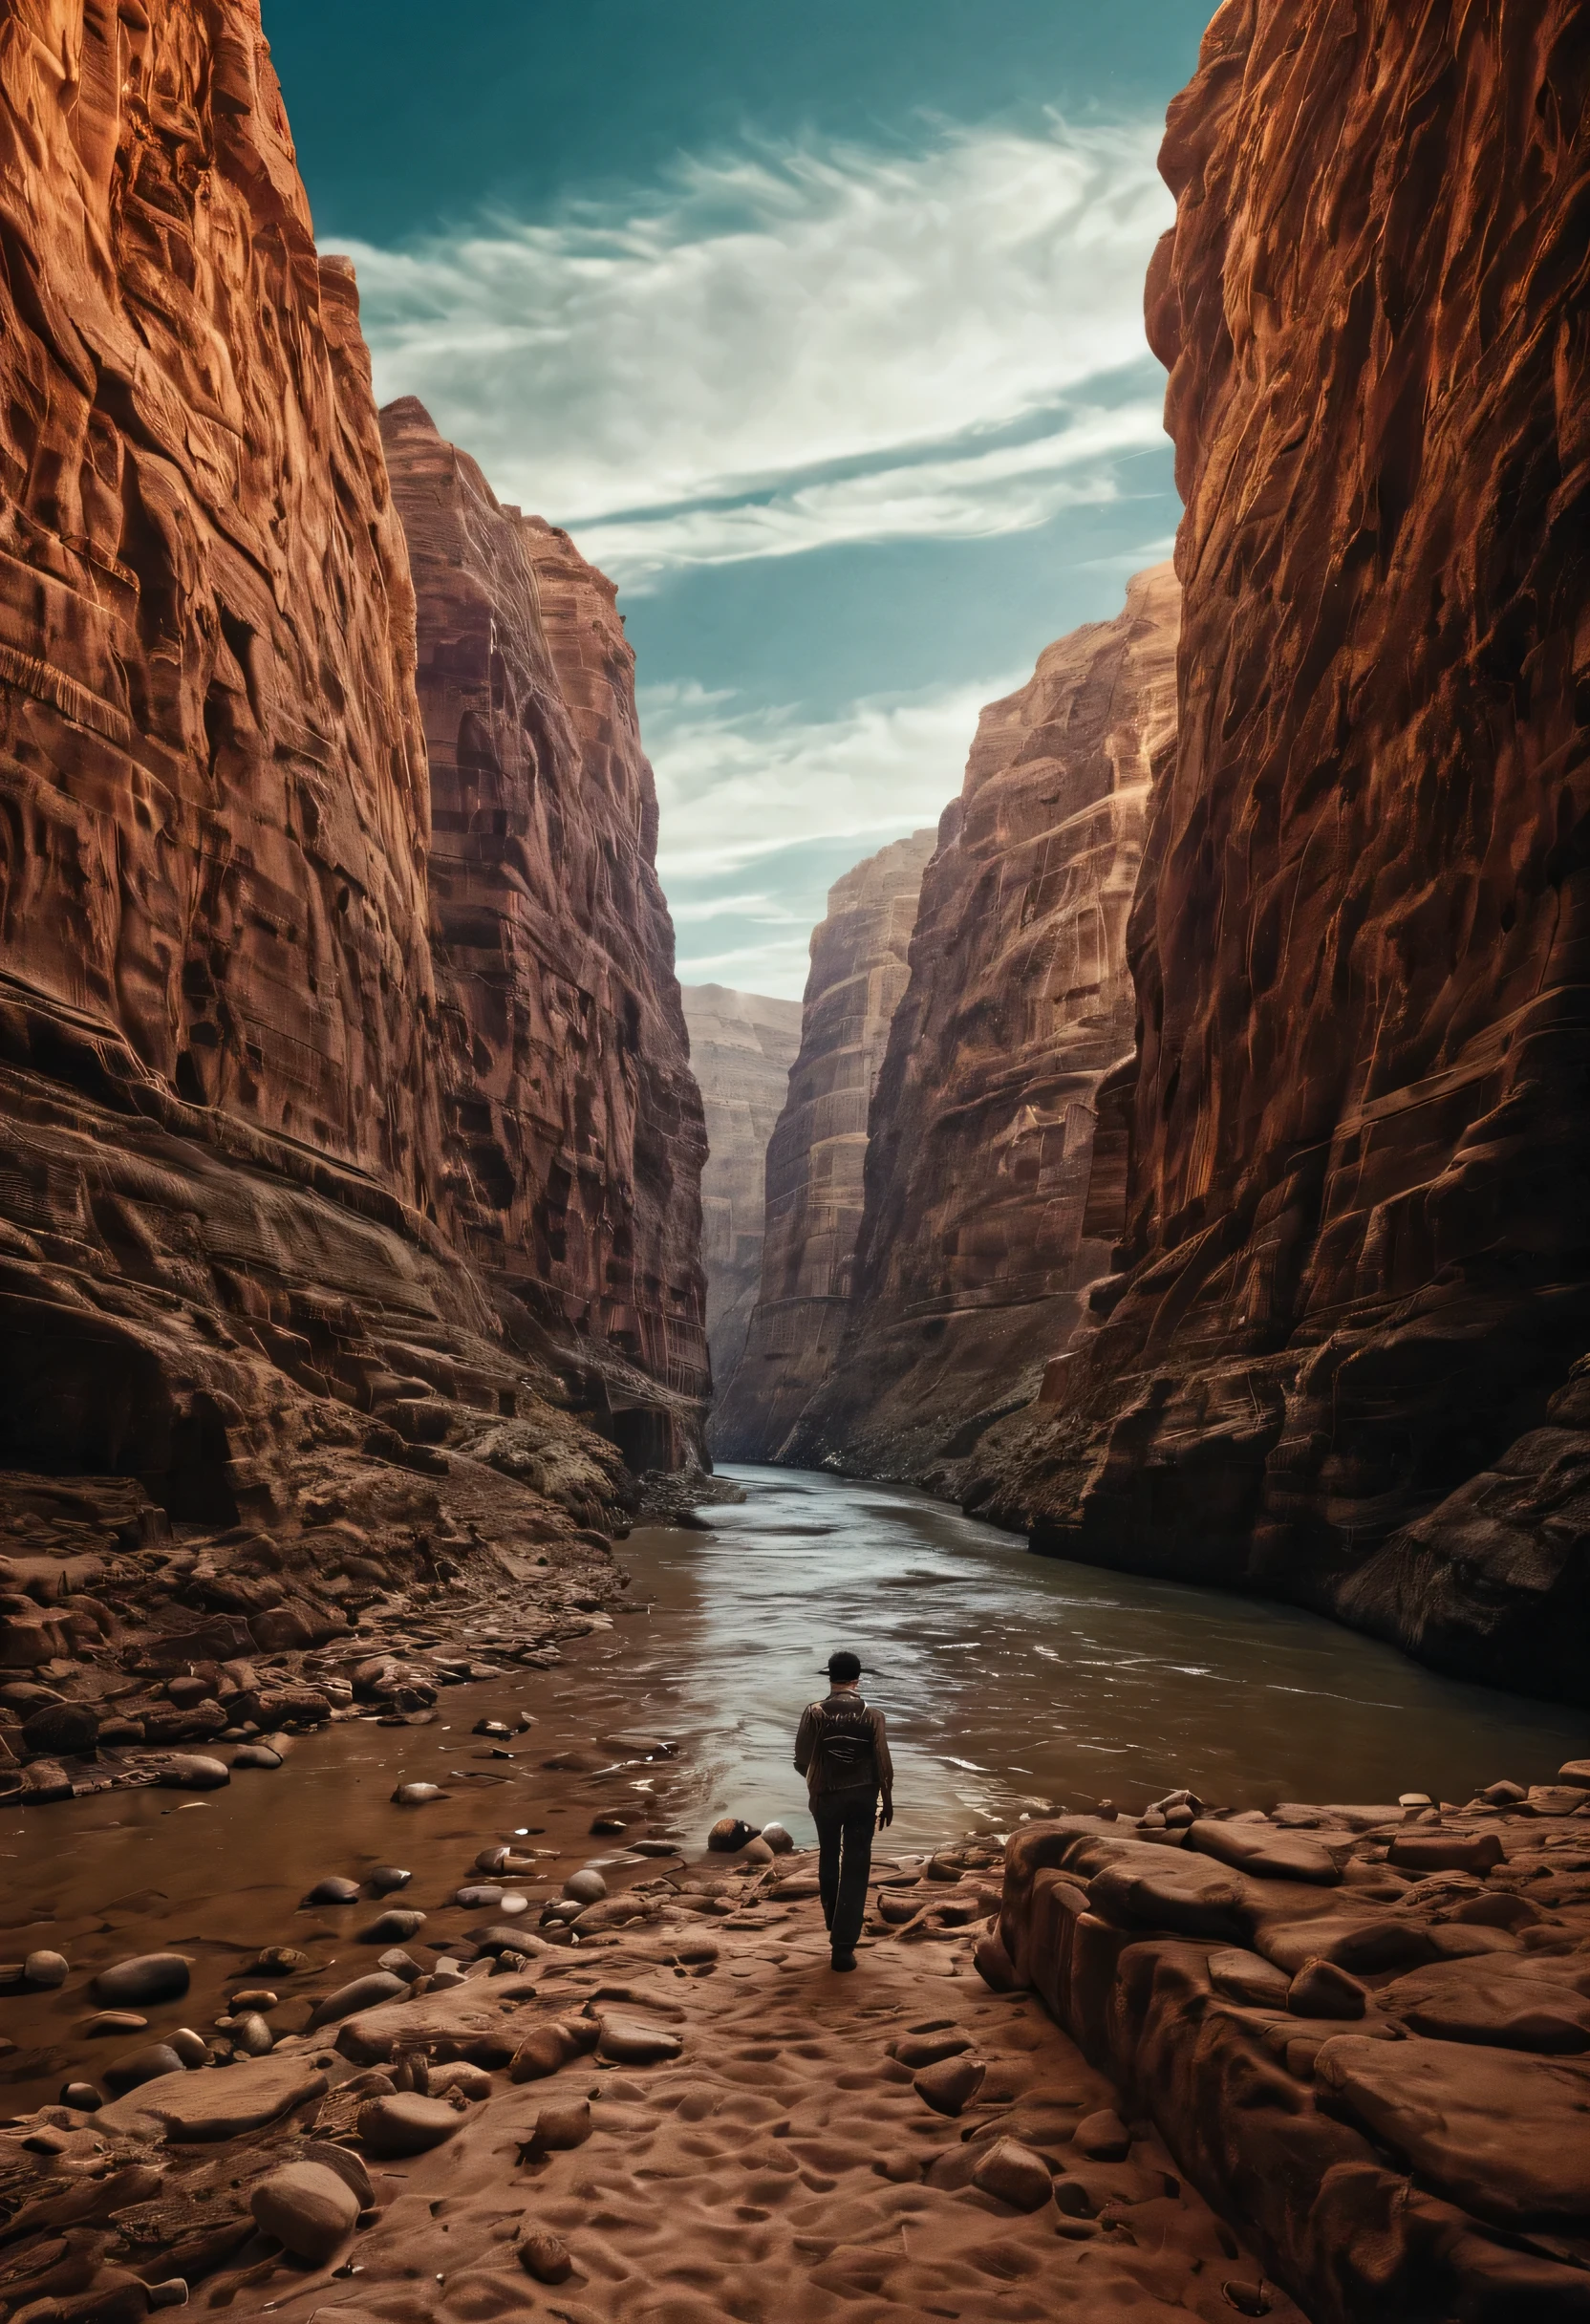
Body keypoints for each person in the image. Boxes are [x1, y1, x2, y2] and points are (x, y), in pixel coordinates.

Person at [794, 1649, 894, 1971]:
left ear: (830, 1678)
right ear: (857, 1679)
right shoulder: (874, 1715)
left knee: (828, 1854)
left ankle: (830, 1916)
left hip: (825, 1798)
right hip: (863, 1800)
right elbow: (884, 1766)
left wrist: (819, 1782)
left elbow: (801, 1761)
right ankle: (843, 1947)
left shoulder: (814, 1712)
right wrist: (886, 1801)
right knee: (856, 1864)